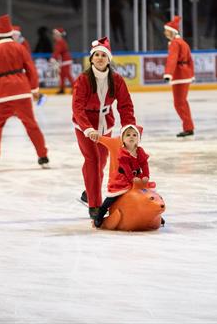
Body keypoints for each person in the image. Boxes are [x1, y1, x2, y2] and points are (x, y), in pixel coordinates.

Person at [72, 36, 136, 219]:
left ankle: (88, 191)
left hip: (105, 125)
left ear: (109, 59)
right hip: (84, 126)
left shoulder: (116, 79)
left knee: (101, 160)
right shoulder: (83, 79)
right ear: (91, 58)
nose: (100, 58)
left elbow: (125, 105)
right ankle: (94, 204)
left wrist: (128, 127)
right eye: (97, 55)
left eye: (103, 55)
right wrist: (86, 128)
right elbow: (77, 107)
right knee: (92, 160)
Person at [0, 14, 49, 169]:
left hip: (3, 95)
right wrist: (34, 89)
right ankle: (43, 155)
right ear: (11, 34)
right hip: (22, 92)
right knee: (31, 125)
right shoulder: (20, 48)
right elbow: (31, 69)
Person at [93, 125, 149, 228]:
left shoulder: (140, 151)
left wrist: (146, 175)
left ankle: (149, 213)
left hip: (137, 178)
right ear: (122, 139)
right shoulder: (123, 153)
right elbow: (126, 168)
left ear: (138, 138)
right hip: (122, 179)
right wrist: (132, 179)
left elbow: (144, 164)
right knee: (113, 196)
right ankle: (100, 213)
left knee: (147, 193)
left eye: (134, 135)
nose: (131, 137)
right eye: (128, 135)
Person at [163, 16, 195, 138]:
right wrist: (191, 74)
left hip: (179, 75)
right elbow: (190, 60)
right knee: (182, 102)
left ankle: (188, 128)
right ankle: (188, 127)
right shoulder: (183, 42)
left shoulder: (175, 43)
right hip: (185, 75)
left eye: (166, 30)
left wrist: (168, 74)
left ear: (172, 31)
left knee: (179, 103)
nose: (164, 32)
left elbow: (172, 59)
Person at [50, 27, 74, 94]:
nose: (53, 35)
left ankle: (75, 88)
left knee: (67, 74)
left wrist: (53, 58)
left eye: (55, 34)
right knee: (62, 75)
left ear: (58, 35)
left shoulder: (60, 42)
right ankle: (62, 89)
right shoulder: (60, 41)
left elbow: (57, 51)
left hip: (66, 60)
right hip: (64, 61)